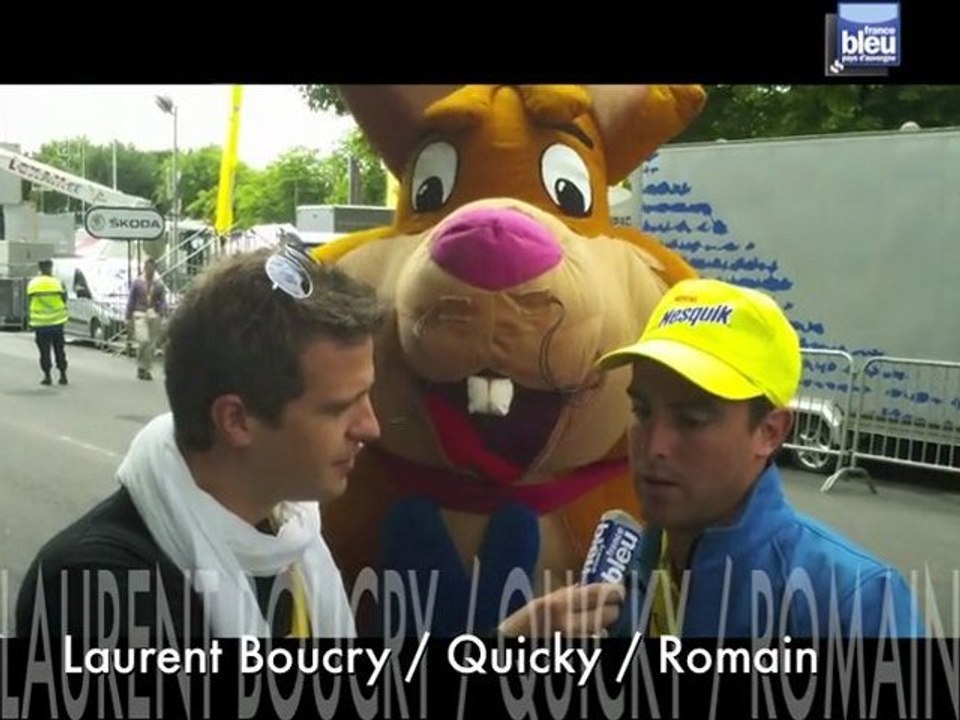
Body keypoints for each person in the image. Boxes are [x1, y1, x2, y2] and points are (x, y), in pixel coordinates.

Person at [499, 278, 923, 639]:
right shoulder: (621, 571)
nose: (655, 445)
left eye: (692, 419)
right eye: (642, 412)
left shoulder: (856, 601)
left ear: (770, 431)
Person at [17, 245, 383, 640]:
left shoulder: (292, 534)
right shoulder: (96, 589)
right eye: (339, 408)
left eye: (367, 396)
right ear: (236, 420)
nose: (370, 427)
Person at [26, 259, 68, 386]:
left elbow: (29, 301)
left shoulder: (33, 284)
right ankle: (63, 375)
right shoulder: (58, 283)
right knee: (59, 350)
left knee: (44, 351)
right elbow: (64, 299)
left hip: (40, 324)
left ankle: (47, 376)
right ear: (50, 268)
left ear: (40, 268)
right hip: (57, 323)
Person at [126, 257, 167, 380]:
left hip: (153, 314)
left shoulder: (159, 283)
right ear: (145, 268)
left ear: (155, 269)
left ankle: (146, 369)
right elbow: (131, 299)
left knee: (151, 344)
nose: (150, 271)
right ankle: (140, 365)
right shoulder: (138, 282)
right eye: (148, 268)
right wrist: (128, 316)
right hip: (140, 313)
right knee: (143, 340)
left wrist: (161, 310)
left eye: (152, 268)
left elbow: (162, 299)